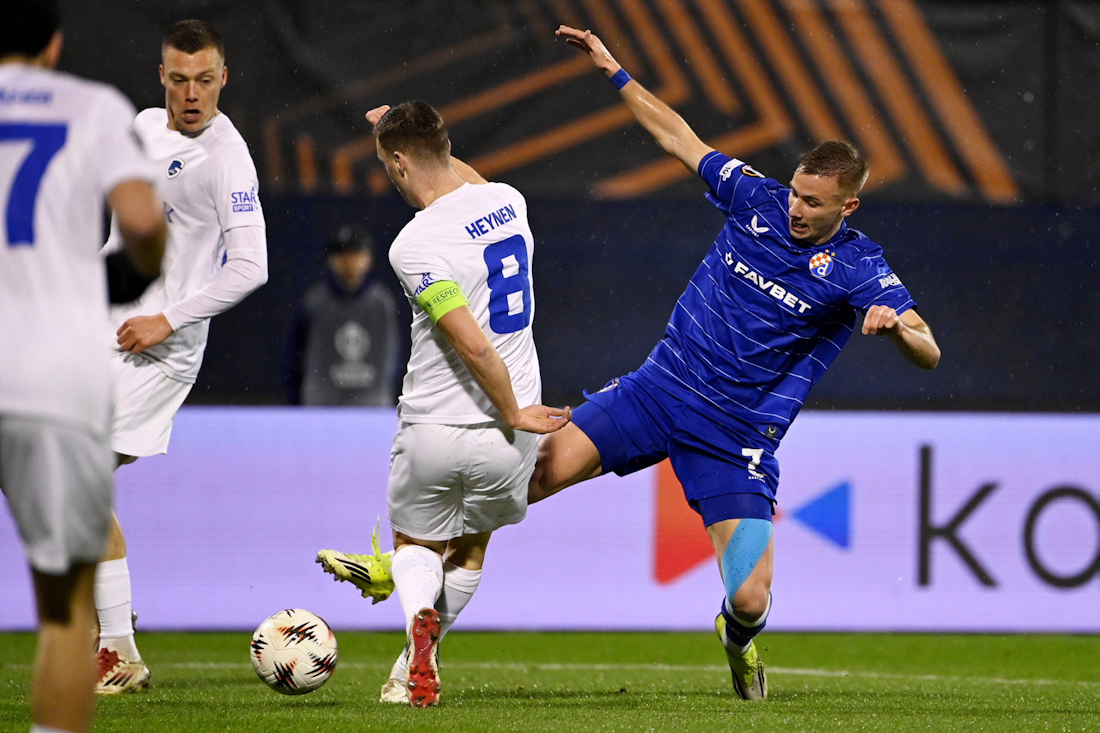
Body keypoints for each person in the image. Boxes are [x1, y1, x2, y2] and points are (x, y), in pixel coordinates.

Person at [524, 26, 942, 700]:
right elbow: (679, 138)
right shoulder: (756, 198)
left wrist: (896, 330)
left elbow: (930, 349)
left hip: (736, 435)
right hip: (657, 390)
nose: (797, 208)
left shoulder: (861, 266)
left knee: (749, 595)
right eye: (797, 193)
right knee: (537, 473)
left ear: (849, 205)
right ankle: (411, 576)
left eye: (813, 202)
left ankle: (737, 638)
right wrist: (614, 70)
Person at [315, 101, 570, 708]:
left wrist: (508, 404)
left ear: (399, 161)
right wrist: (513, 416)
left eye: (388, 164)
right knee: (473, 548)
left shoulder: (414, 244)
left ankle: (415, 625)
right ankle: (409, 669)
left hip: (437, 423)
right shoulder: (509, 201)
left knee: (413, 549)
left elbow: (471, 341)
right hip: (508, 440)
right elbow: (458, 179)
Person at [0, 2, 167, 730]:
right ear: (55, 42)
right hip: (50, 376)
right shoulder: (93, 108)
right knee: (65, 614)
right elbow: (139, 224)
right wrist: (135, 272)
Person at [93, 19, 268, 694]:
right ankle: (109, 635)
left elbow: (252, 266)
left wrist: (167, 317)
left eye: (205, 79)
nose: (192, 94)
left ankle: (117, 647)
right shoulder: (140, 127)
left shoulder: (228, 158)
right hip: (103, 330)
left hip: (159, 350)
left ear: (223, 77)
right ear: (161, 77)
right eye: (178, 79)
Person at [283, 224, 401, 406]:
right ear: (332, 260)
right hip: (321, 407)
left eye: (355, 254)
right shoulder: (314, 302)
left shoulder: (382, 303)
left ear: (368, 258)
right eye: (342, 255)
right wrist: (295, 401)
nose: (349, 261)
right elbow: (293, 356)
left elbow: (393, 353)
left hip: (371, 407)